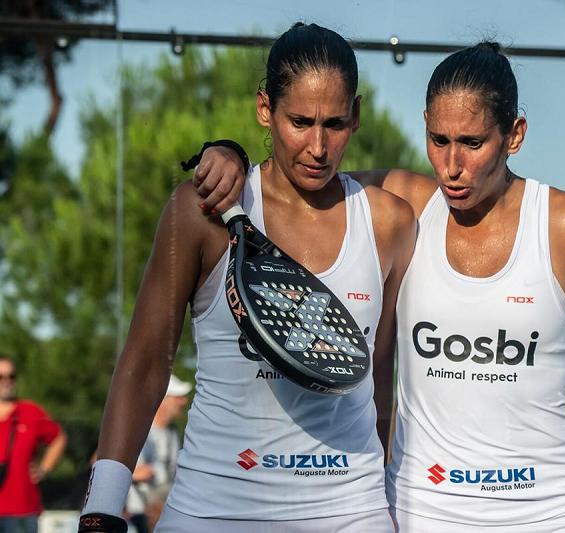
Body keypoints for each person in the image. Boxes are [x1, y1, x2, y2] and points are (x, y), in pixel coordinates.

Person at [192, 40, 565, 532]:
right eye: (438, 139)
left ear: (514, 135)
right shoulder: (406, 205)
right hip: (424, 512)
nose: (451, 165)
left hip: (553, 511)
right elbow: (292, 179)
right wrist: (229, 154)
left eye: (472, 143)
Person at [78, 22, 415, 533]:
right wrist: (101, 509)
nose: (318, 146)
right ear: (264, 109)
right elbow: (145, 364)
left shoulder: (389, 222)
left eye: (335, 124)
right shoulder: (203, 211)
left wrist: (388, 497)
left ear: (357, 116)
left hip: (350, 511)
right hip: (213, 509)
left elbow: (380, 379)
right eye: (299, 122)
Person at [0, 355, 67, 533]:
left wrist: (44, 468)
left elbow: (58, 437)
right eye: (1, 376)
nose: (6, 381)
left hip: (22, 511)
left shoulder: (30, 412)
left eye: (11, 376)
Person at [124, 375, 191, 533]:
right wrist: (134, 474)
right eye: (177, 397)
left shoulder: (171, 433)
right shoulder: (138, 431)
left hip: (161, 517)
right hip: (137, 518)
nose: (184, 401)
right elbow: (99, 463)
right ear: (162, 400)